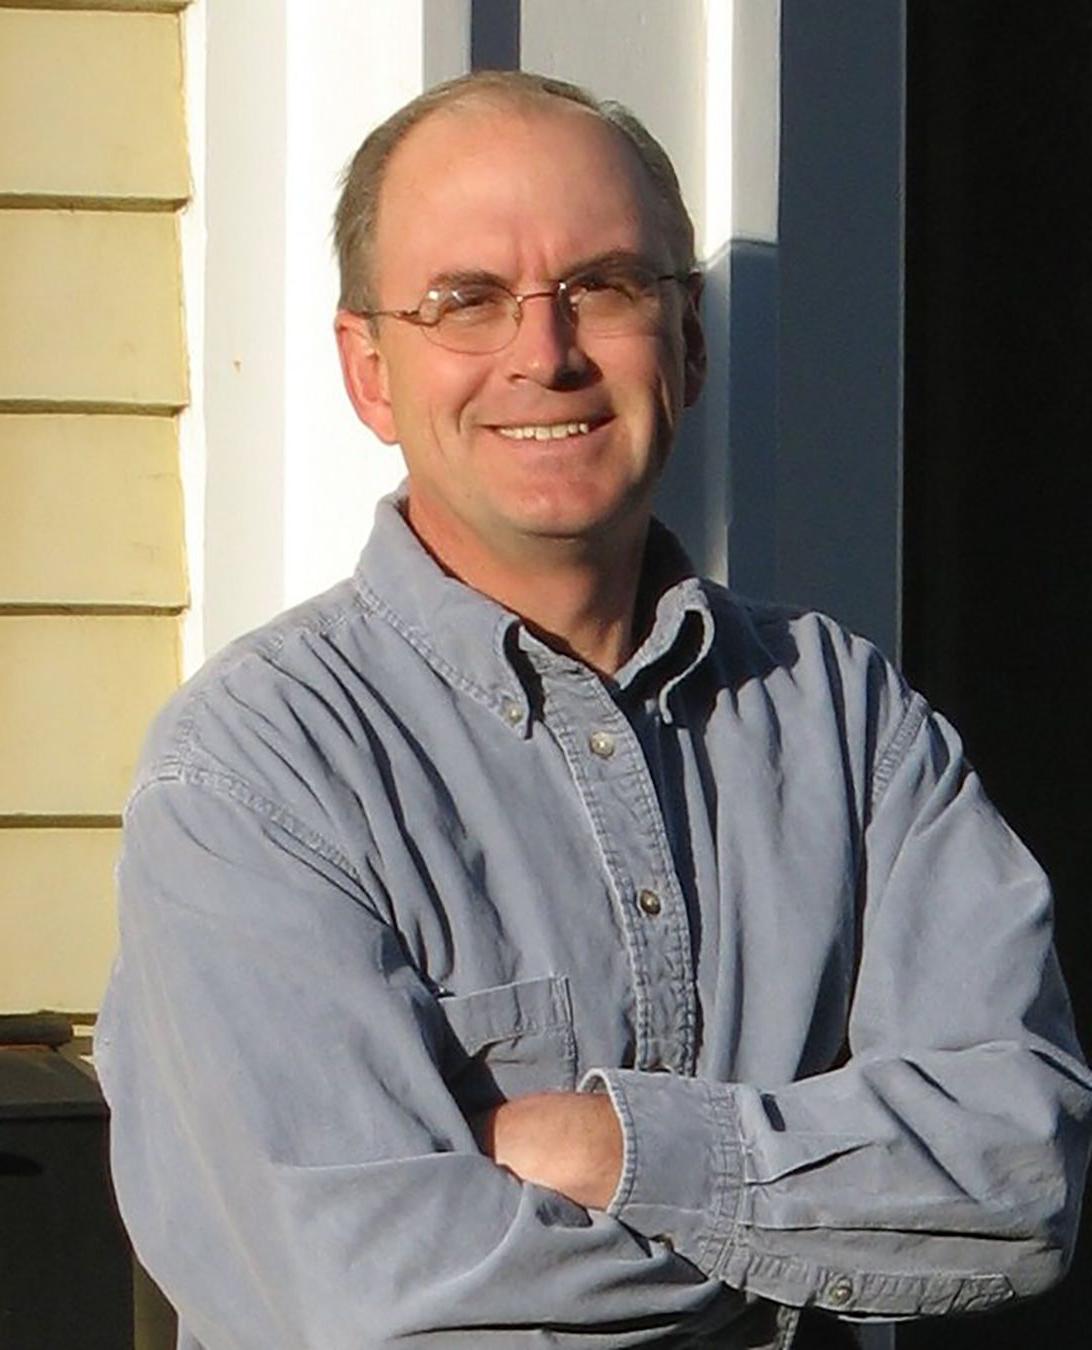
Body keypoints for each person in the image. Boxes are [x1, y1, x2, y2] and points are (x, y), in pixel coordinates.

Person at [96, 71, 1091, 1350]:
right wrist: (818, 1239)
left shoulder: (846, 720)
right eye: (465, 301)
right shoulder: (257, 772)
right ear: (370, 372)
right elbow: (373, 1303)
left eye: (607, 286)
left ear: (688, 342)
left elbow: (1023, 1175)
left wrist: (618, 1149)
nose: (545, 353)